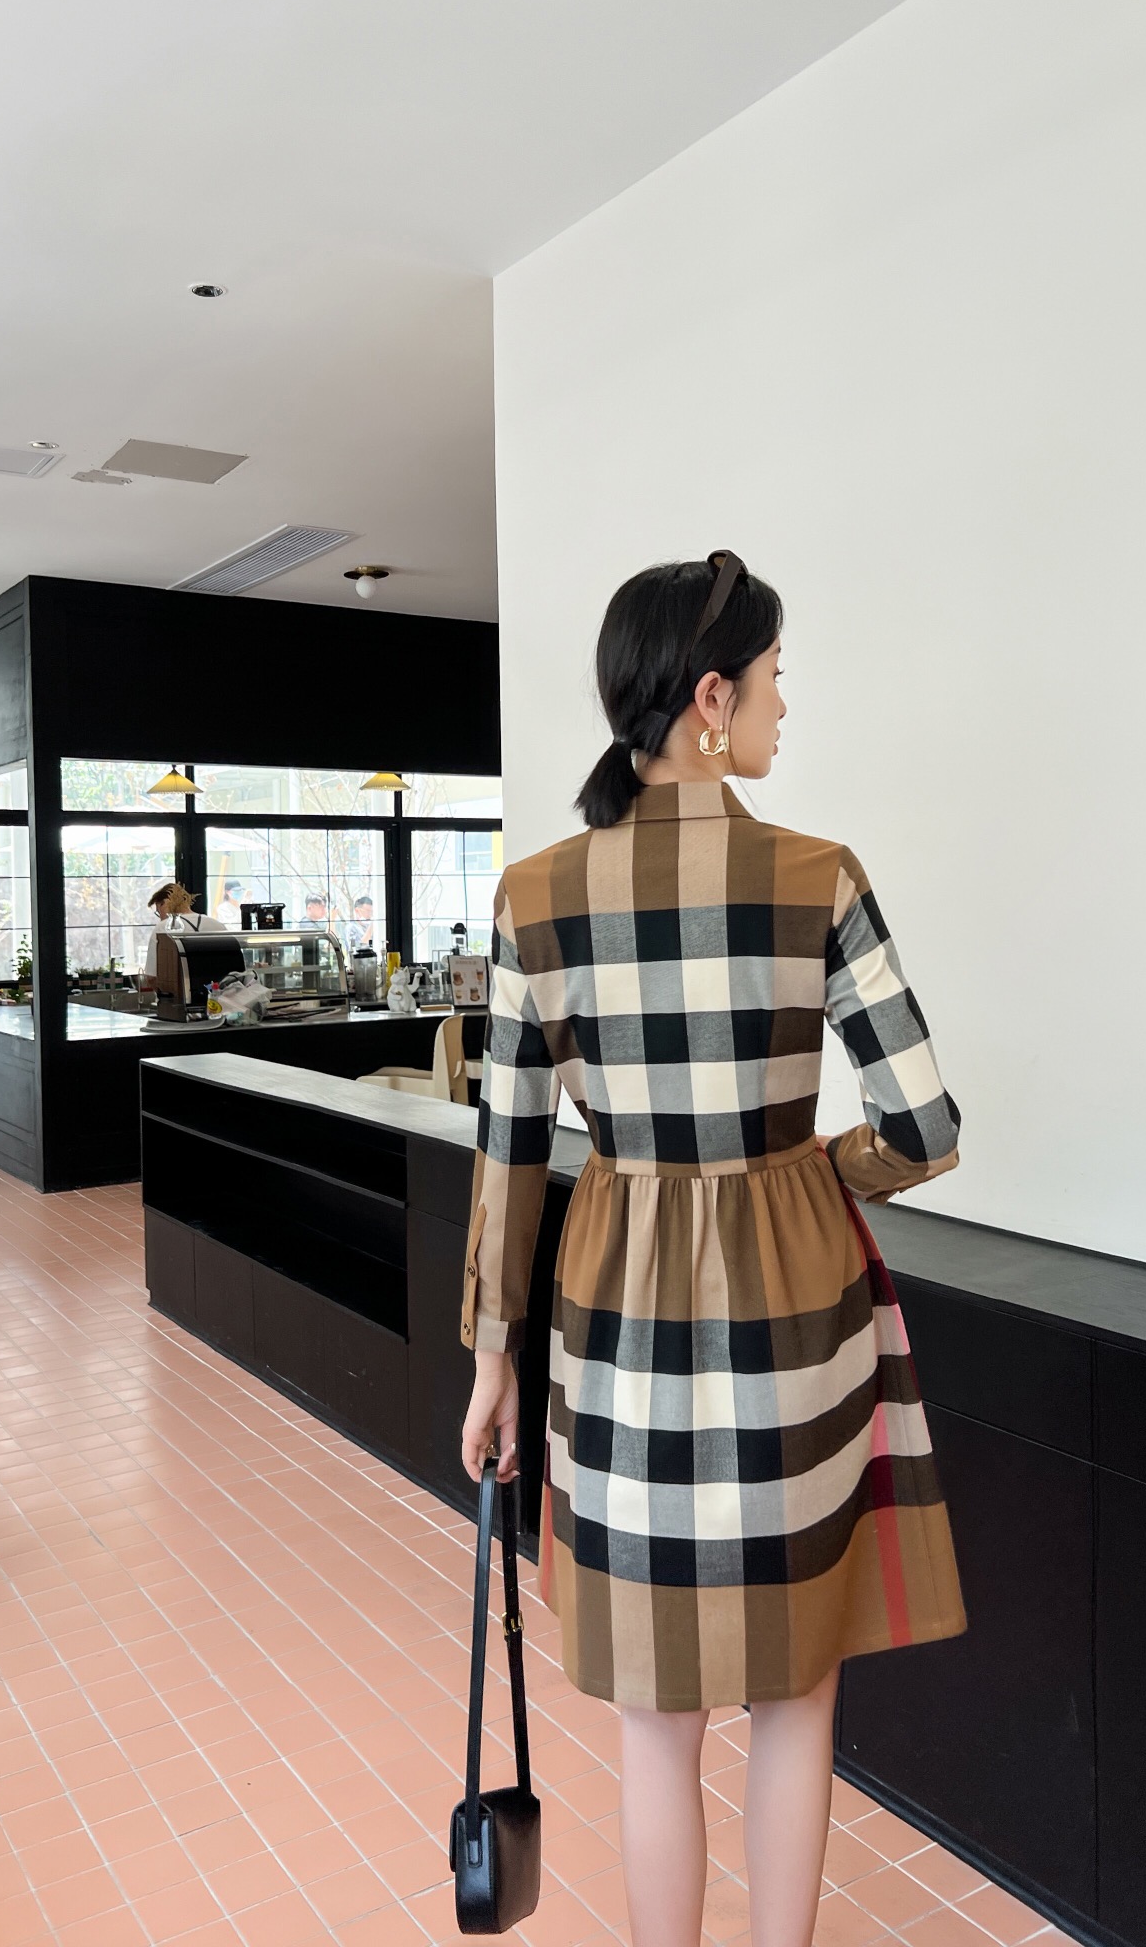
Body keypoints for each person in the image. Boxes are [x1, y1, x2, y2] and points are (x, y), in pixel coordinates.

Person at [459, 553, 966, 1947]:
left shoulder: (532, 898)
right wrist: (816, 1171)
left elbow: (507, 1161)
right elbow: (924, 1128)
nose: (784, 707)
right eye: (775, 680)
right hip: (798, 1327)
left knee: (655, 1725)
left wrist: (493, 1361)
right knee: (794, 1699)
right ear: (710, 698)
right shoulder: (818, 877)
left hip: (617, 1333)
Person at [141, 883, 224, 978]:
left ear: (165, 903)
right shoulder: (217, 925)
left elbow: (151, 976)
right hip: (218, 985)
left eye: (158, 911)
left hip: (178, 986)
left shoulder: (162, 928)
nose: (160, 917)